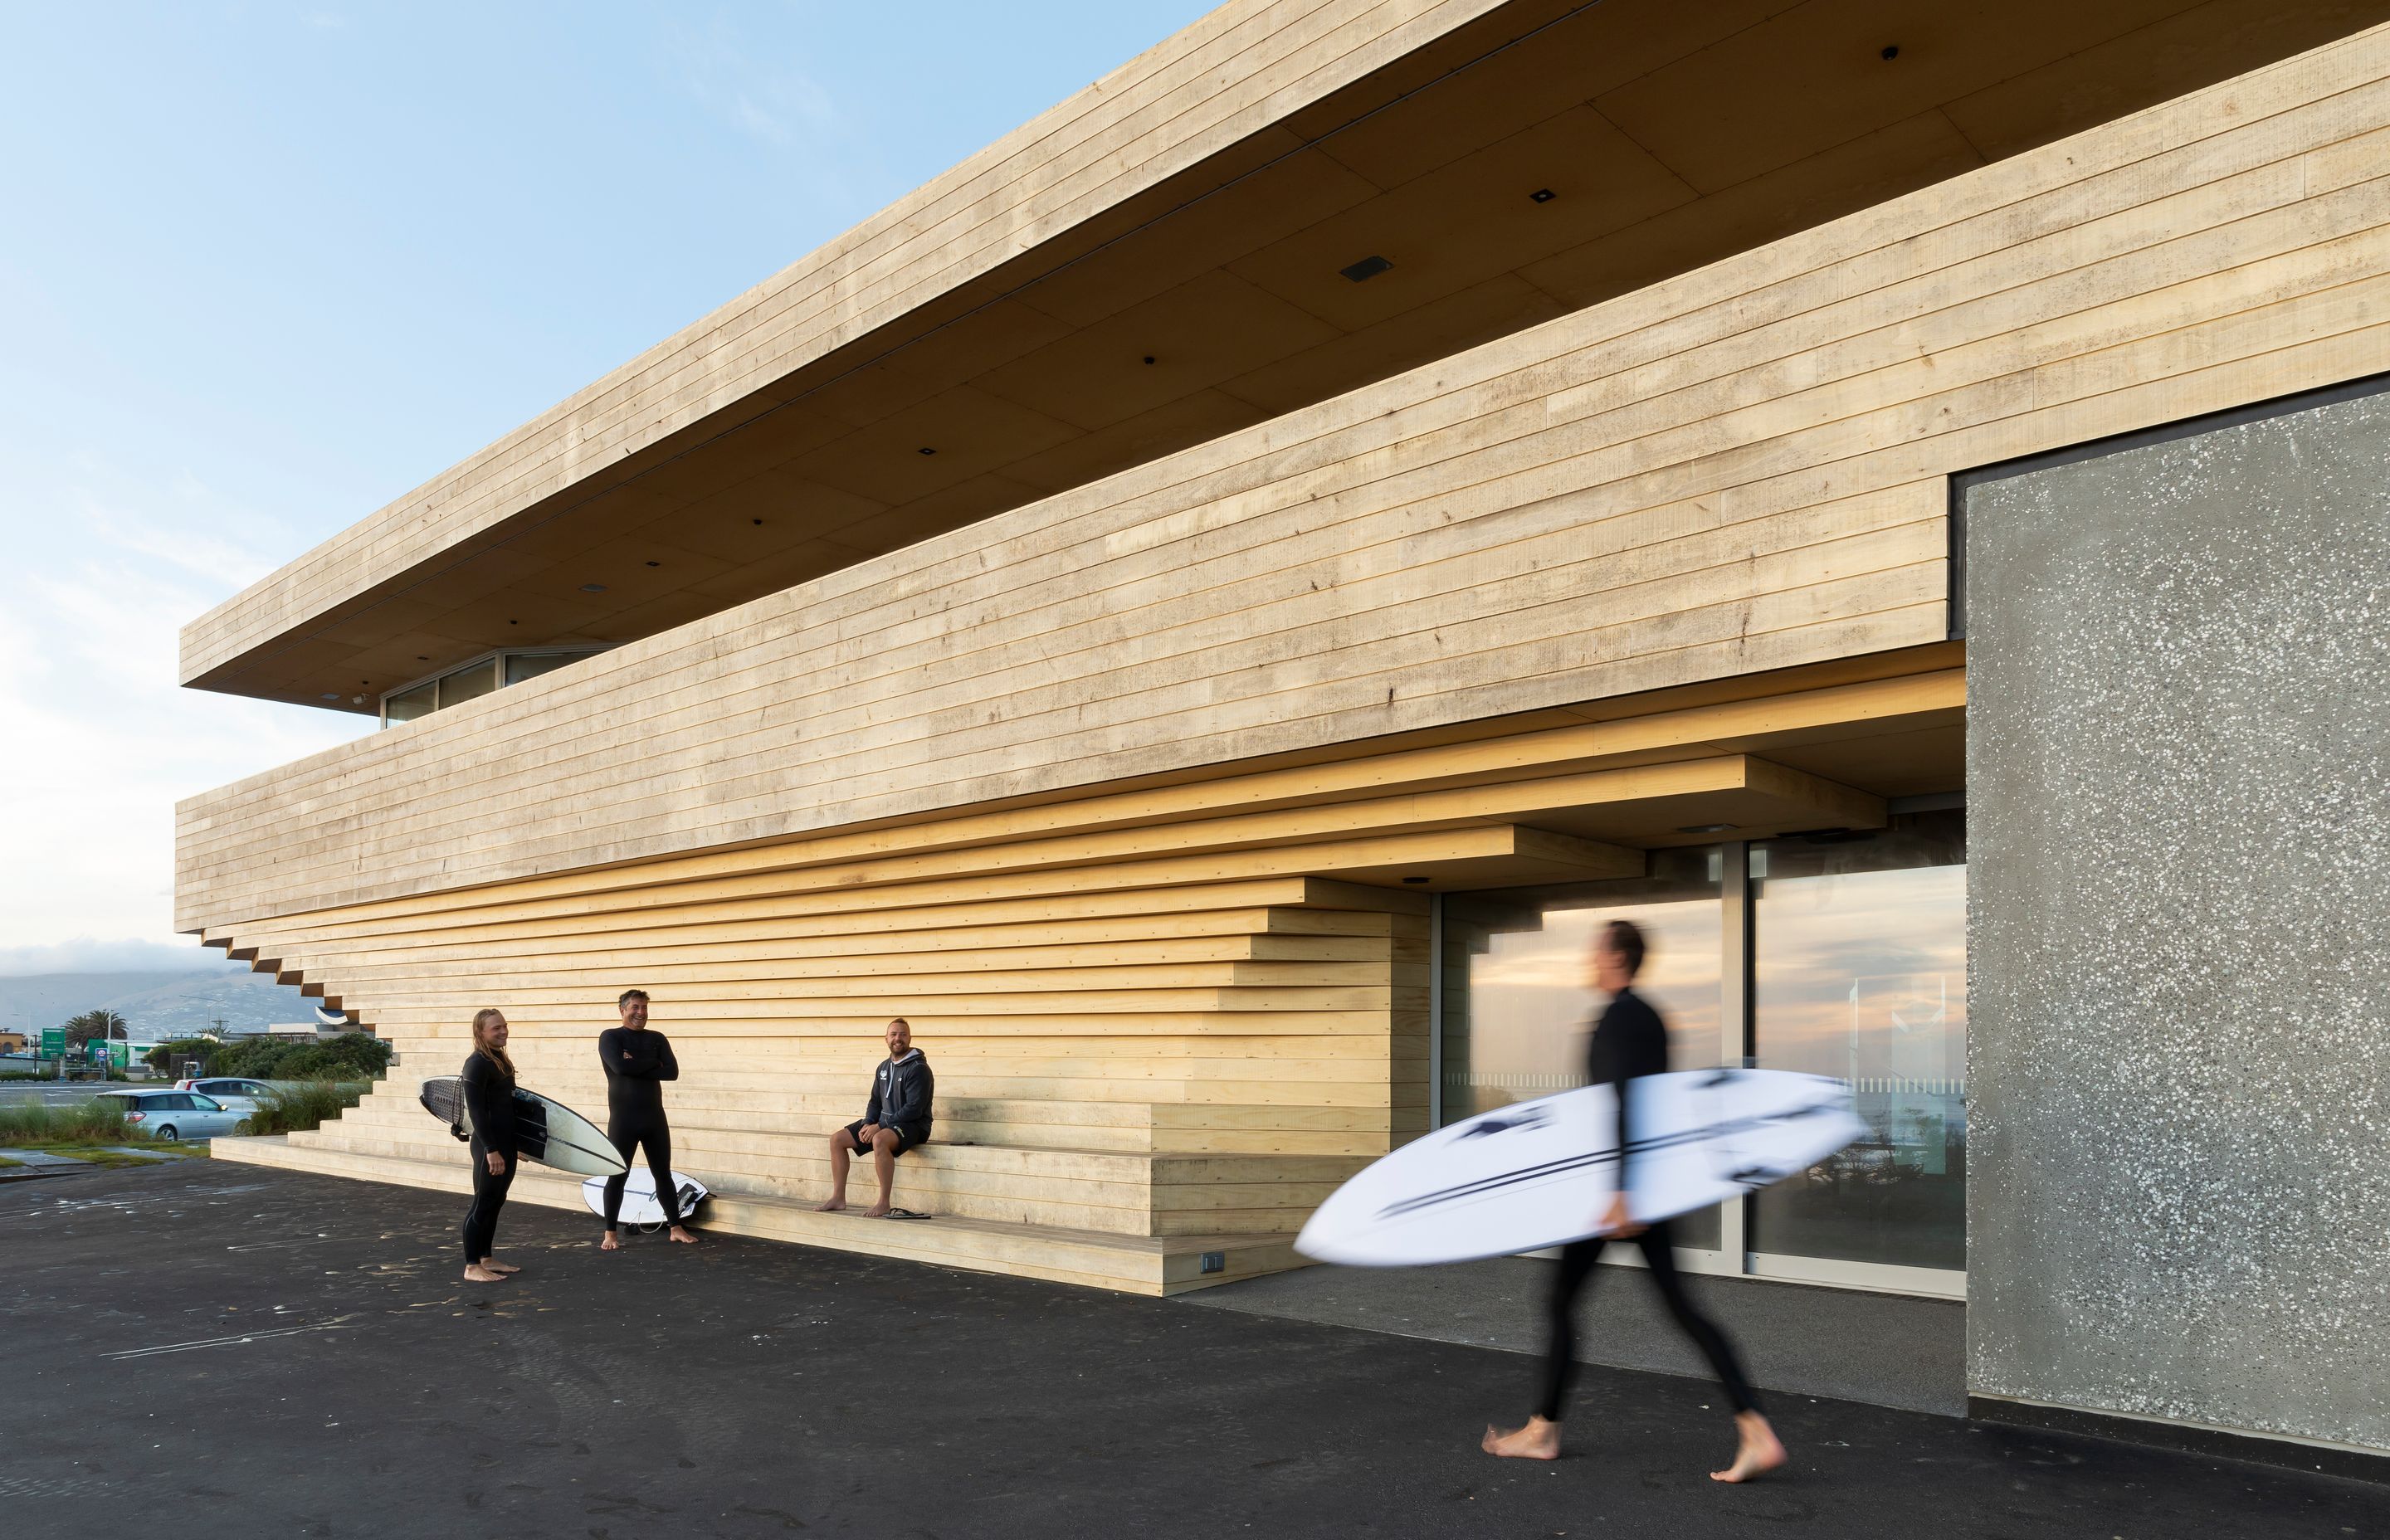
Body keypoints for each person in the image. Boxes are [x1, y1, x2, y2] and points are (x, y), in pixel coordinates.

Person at [1483, 919, 1786, 1484]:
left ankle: (1543, 1430)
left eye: (1597, 952)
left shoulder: (1620, 1019)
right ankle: (1754, 1427)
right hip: (1644, 1188)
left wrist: (1620, 1191)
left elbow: (1623, 1102)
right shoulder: (1650, 1016)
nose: (1590, 962)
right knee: (1678, 1307)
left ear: (1617, 958)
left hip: (1619, 1195)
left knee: (1563, 1301)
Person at [597, 988, 698, 1250]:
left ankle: (675, 1228)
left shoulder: (657, 1038)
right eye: (635, 1008)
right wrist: (653, 1064)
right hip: (624, 1119)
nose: (641, 1013)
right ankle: (611, 1233)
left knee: (663, 1174)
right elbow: (620, 1068)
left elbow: (673, 1072)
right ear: (622, 1010)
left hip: (654, 1117)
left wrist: (636, 1062)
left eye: (644, 1007)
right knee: (618, 1174)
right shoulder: (610, 1037)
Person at [816, 1018, 933, 1217]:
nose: (898, 1038)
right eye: (894, 1034)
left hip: (914, 1125)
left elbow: (914, 1109)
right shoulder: (883, 1067)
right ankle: (838, 1198)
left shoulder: (918, 1069)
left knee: (879, 1139)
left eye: (903, 1034)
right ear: (886, 1039)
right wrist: (868, 1122)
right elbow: (875, 1102)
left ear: (910, 1038)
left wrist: (879, 1126)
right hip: (884, 1123)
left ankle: (884, 1202)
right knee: (837, 1139)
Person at [459, 1007, 520, 1284]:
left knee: (497, 1202)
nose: (503, 1031)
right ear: (480, 1032)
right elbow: (477, 1113)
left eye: (504, 1026)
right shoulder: (477, 1063)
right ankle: (472, 1265)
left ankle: (486, 1257)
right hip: (489, 1146)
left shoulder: (499, 1060)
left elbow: (508, 1107)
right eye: (496, 1028)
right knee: (482, 1204)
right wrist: (491, 1149)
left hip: (506, 1143)